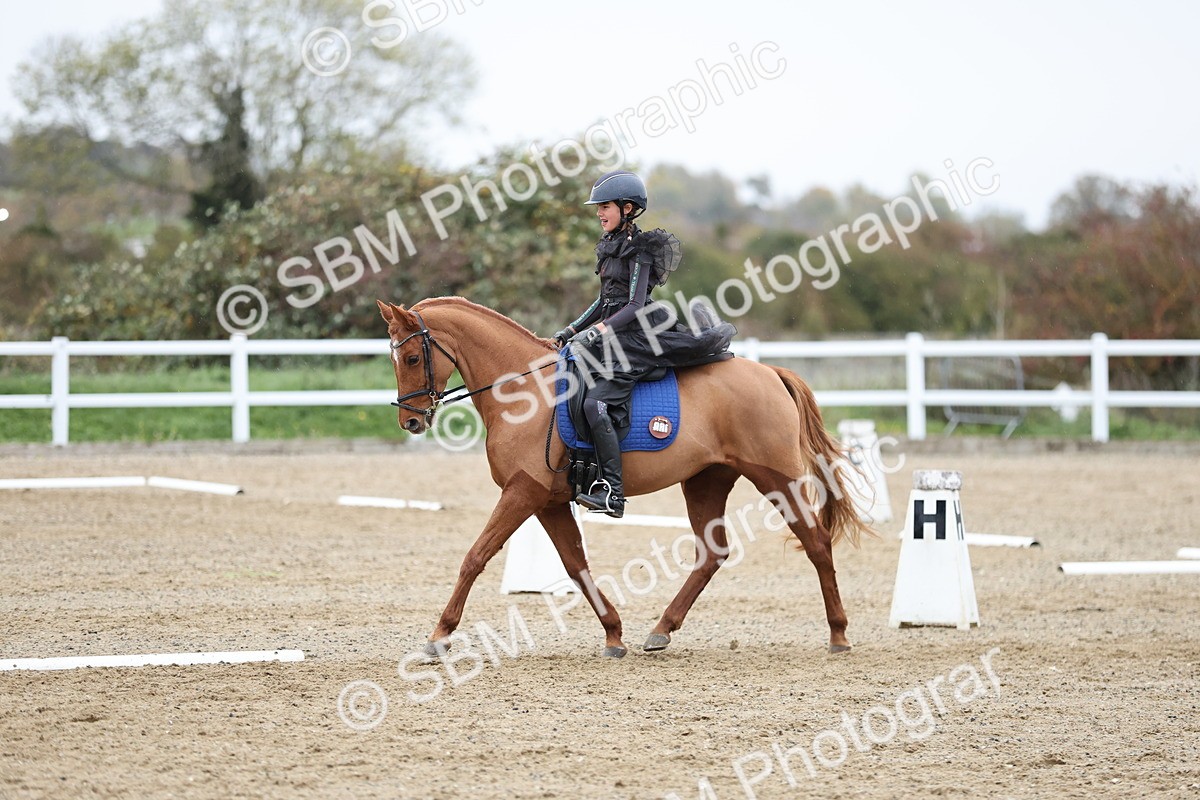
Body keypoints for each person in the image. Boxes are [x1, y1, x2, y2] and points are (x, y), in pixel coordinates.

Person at [554, 170, 736, 518]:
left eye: (604, 207)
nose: (599, 213)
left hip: (637, 339)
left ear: (627, 208)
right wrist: (571, 329)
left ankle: (614, 493)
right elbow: (604, 301)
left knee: (597, 406)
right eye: (599, 208)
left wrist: (600, 331)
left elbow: (633, 305)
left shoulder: (642, 250)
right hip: (612, 333)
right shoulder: (609, 246)